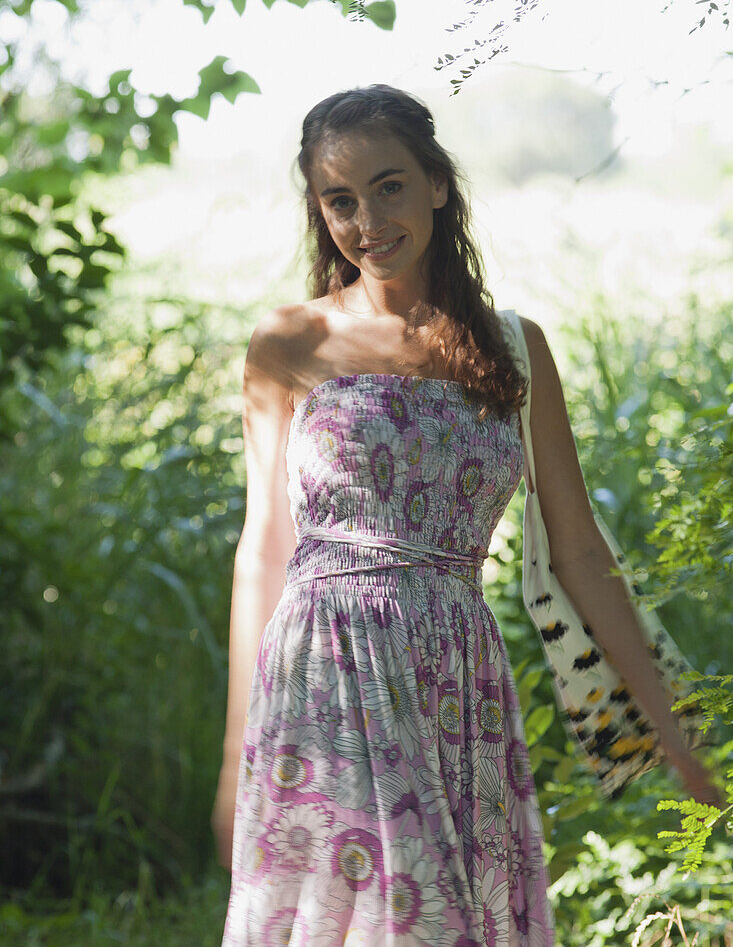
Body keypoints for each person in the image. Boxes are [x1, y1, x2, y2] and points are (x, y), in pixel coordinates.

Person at [212, 85, 723, 946]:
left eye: (388, 186)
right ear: (317, 210)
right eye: (339, 200)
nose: (366, 220)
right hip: (323, 668)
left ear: (437, 185)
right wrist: (235, 754)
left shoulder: (511, 347)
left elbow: (579, 554)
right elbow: (263, 547)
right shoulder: (287, 343)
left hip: (455, 675)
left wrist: (672, 733)